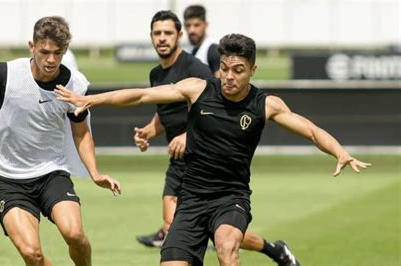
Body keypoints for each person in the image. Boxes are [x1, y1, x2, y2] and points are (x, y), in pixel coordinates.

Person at [55, 33, 371, 266]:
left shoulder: (265, 105)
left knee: (227, 248)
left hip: (230, 198)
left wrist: (339, 152)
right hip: (191, 199)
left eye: (238, 70)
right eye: (224, 69)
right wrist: (92, 99)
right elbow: (141, 96)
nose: (229, 76)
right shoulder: (198, 89)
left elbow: (312, 130)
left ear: (253, 70)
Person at [134, 10, 300, 266]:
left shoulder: (198, 67)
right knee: (174, 229)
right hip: (181, 161)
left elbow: (213, 105)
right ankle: (271, 249)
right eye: (157, 33)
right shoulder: (156, 73)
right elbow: (169, 111)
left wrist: (188, 135)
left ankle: (272, 249)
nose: (162, 38)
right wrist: (149, 129)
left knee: (223, 239)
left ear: (178, 37)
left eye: (168, 33)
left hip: (204, 157)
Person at [0, 16, 120, 266]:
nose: (50, 59)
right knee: (32, 254)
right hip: (9, 179)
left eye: (57, 53)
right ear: (31, 46)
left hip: (51, 173)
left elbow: (81, 133)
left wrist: (95, 172)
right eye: (44, 51)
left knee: (75, 235)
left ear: (65, 51)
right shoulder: (6, 73)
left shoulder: (75, 84)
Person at [183, 5, 220, 77]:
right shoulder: (189, 51)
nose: (191, 30)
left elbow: (220, 85)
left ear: (206, 25)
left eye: (196, 25)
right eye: (188, 25)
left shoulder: (213, 50)